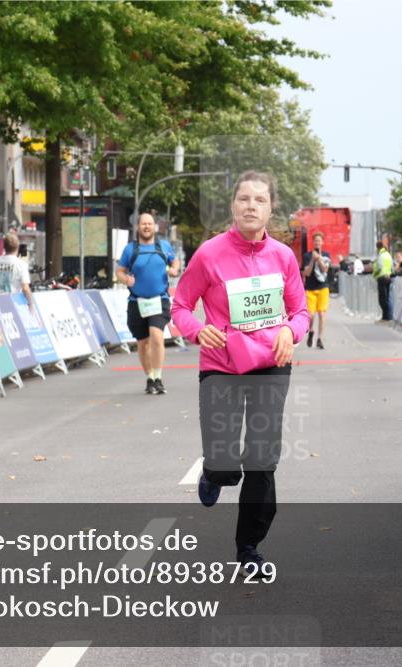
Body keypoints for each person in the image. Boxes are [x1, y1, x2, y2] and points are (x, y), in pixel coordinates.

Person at [171, 170, 309, 575]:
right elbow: (180, 306)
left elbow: (300, 312)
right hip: (221, 366)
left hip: (270, 365)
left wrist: (289, 330)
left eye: (260, 200)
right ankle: (214, 472)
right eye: (244, 199)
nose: (251, 206)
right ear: (233, 206)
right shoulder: (210, 254)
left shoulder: (283, 257)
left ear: (271, 209)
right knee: (226, 463)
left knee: (262, 460)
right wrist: (199, 331)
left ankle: (248, 547)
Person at [116, 212, 181, 395]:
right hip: (137, 302)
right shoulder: (131, 249)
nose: (146, 227)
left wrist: (174, 269)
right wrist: (125, 280)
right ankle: (150, 377)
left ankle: (158, 378)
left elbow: (174, 262)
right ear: (138, 227)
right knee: (143, 343)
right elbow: (119, 271)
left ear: (155, 227)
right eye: (143, 224)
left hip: (159, 299)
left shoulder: (164, 246)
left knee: (157, 336)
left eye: (150, 224)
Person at [0, 233, 36, 315]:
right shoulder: (21, 264)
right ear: (17, 247)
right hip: (13, 302)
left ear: (4, 247)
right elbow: (25, 288)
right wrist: (31, 304)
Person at [302, 231, 330, 350]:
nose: (317, 243)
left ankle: (320, 339)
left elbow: (325, 270)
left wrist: (319, 259)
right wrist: (313, 260)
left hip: (323, 288)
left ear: (322, 242)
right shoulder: (307, 256)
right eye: (315, 241)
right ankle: (311, 331)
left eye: (319, 241)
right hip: (310, 289)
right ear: (313, 242)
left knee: (322, 314)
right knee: (311, 315)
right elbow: (306, 273)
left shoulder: (326, 255)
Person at [372, 241, 393, 321]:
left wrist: (374, 273)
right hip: (388, 277)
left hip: (381, 277)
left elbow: (379, 267)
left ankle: (385, 316)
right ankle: (388, 315)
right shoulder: (388, 254)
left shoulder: (380, 255)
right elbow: (392, 266)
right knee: (387, 297)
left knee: (382, 298)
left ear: (377, 248)